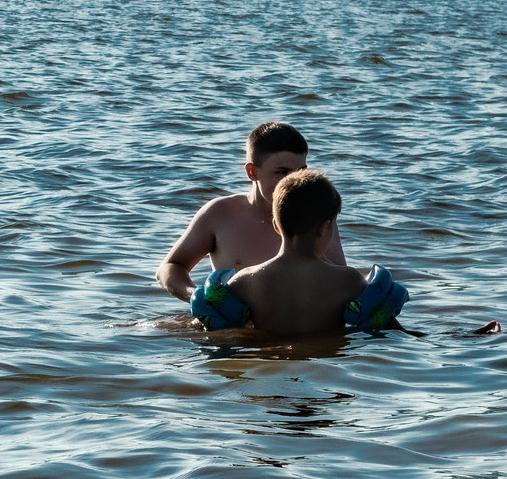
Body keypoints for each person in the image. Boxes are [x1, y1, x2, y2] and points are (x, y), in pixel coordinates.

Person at [193, 169, 407, 336]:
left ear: (276, 226)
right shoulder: (347, 280)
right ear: (324, 228)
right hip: (324, 368)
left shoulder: (246, 281)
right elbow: (391, 329)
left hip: (270, 367)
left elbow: (207, 323)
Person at [155, 120, 342, 301]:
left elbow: (343, 281)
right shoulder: (220, 213)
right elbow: (170, 267)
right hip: (236, 321)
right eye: (282, 172)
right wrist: (197, 297)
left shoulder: (320, 216)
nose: (292, 181)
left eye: (300, 171)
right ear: (252, 172)